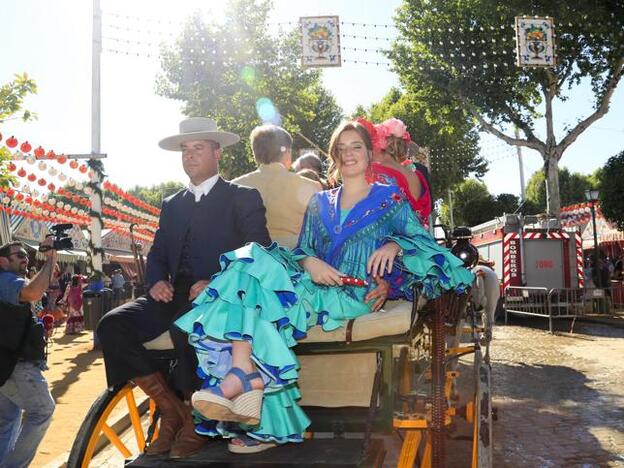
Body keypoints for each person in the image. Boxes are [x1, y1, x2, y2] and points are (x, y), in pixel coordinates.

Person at [174, 120, 473, 454]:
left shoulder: (390, 199)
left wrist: (395, 249)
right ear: (333, 156)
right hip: (313, 285)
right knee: (250, 262)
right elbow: (303, 248)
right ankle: (244, 373)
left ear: (369, 153)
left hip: (354, 293)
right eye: (341, 149)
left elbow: (431, 251)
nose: (348, 154)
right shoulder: (319, 203)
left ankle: (254, 397)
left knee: (260, 287)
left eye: (355, 146)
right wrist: (308, 262)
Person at [96, 117, 271, 458]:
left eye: (199, 149)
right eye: (185, 150)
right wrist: (156, 279)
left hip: (222, 295)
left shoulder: (242, 197)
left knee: (184, 325)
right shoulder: (172, 204)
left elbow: (258, 251)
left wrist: (217, 280)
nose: (190, 156)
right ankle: (172, 408)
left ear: (217, 153)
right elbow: (159, 251)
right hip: (172, 293)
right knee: (111, 326)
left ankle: (198, 419)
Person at [0, 239, 57, 468]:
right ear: (3, 261)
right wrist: (51, 258)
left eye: (26, 254)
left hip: (7, 362)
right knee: (43, 410)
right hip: (16, 365)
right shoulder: (6, 280)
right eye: (20, 255)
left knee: (7, 420)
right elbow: (33, 292)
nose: (26, 258)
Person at [233, 124, 321, 249]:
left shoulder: (235, 186)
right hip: (295, 261)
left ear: (255, 153)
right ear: (287, 152)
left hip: (249, 260)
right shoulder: (311, 186)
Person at [356, 117, 433, 226]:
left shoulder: (374, 173)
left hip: (386, 241)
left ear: (378, 144)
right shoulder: (417, 176)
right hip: (418, 240)